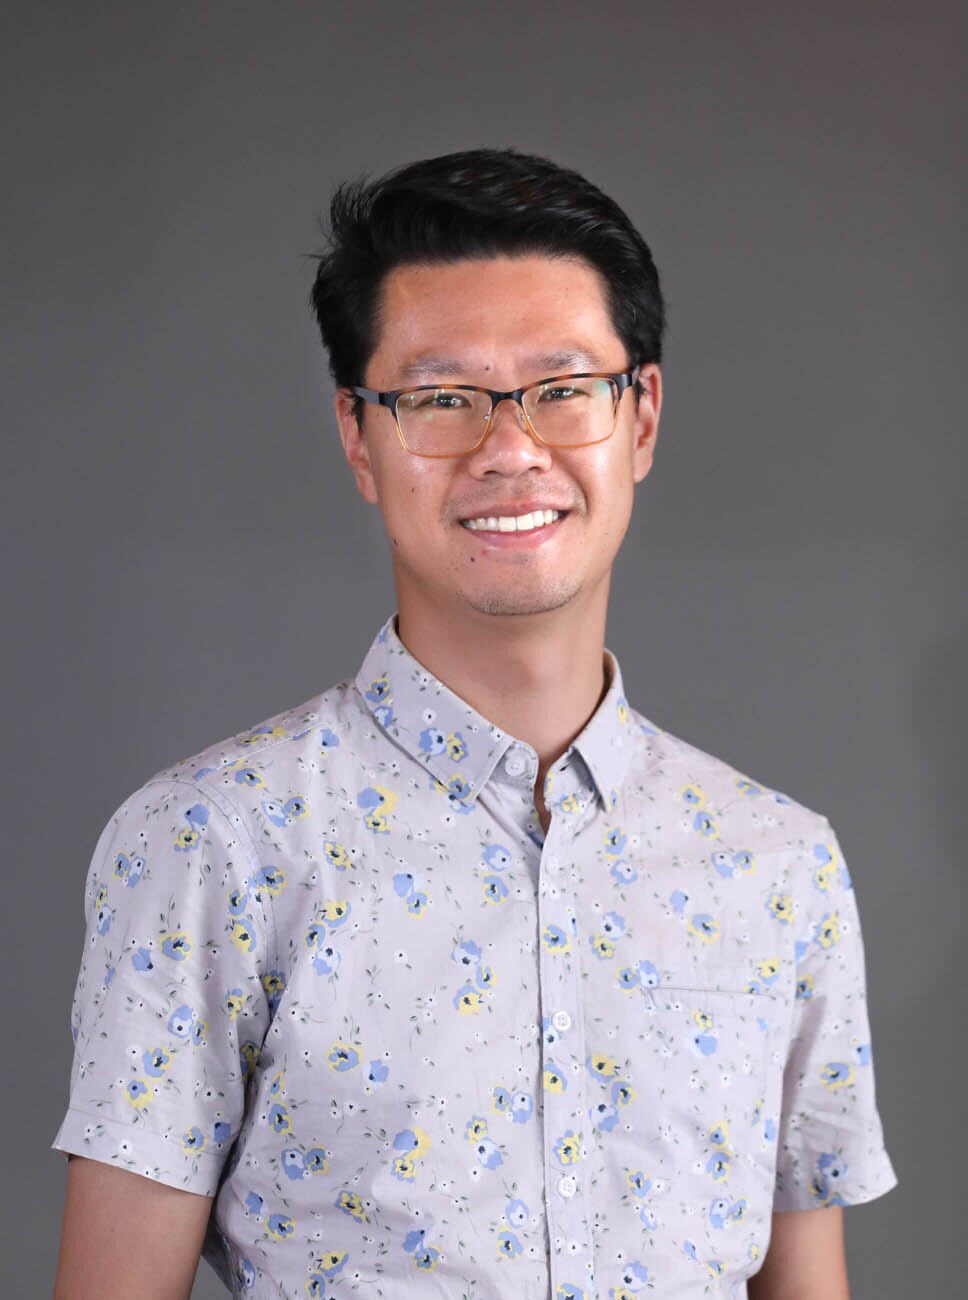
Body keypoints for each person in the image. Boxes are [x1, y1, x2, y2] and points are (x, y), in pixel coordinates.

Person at [53, 148, 895, 1300]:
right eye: (440, 397)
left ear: (638, 416)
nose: (509, 449)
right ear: (358, 435)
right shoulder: (211, 845)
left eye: (561, 388)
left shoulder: (779, 867)